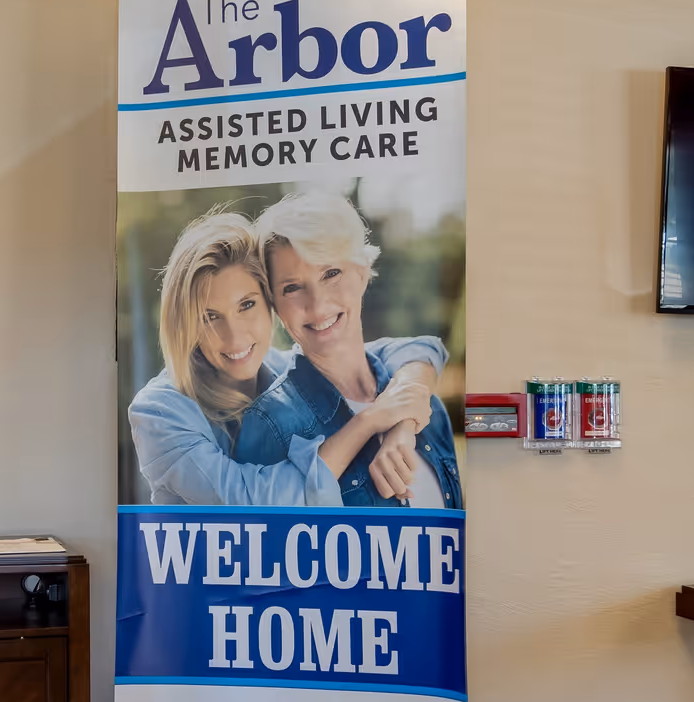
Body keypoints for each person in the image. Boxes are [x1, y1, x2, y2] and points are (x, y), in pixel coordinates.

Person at [127, 210, 444, 505]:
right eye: (210, 317)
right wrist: (370, 419)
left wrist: (403, 421)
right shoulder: (159, 411)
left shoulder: (280, 368)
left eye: (246, 305)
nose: (235, 336)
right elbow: (253, 504)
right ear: (185, 325)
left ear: (270, 305)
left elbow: (413, 349)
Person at [233, 190, 462, 507]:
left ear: (362, 271)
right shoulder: (271, 422)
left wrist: (403, 419)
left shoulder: (428, 409)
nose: (317, 304)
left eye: (330, 273)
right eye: (292, 287)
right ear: (274, 305)